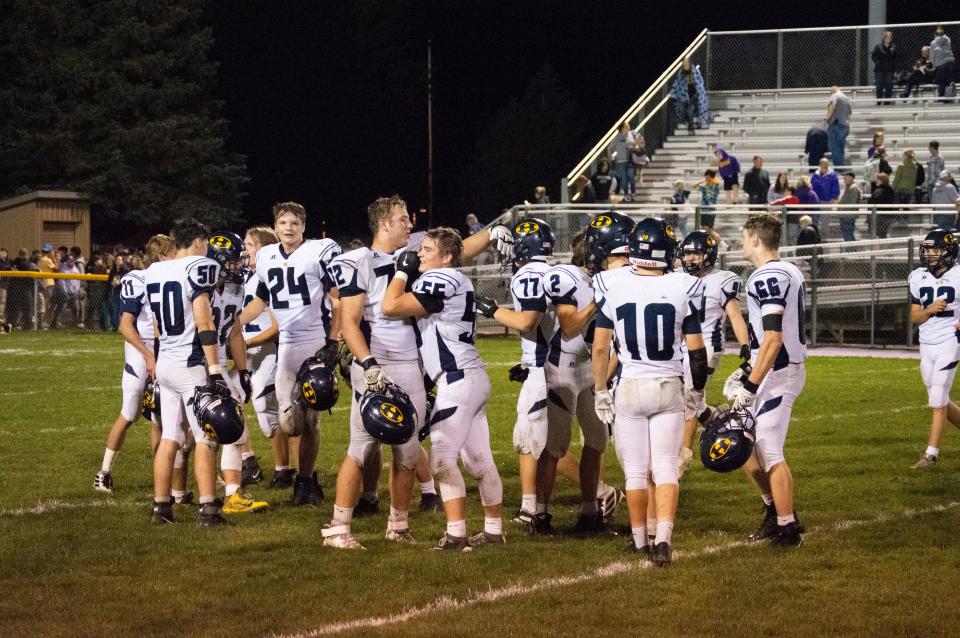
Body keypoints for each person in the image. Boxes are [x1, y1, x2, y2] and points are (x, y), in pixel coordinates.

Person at [381, 228, 505, 551]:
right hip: (470, 376)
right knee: (479, 460)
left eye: (426, 249)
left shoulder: (439, 280)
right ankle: (493, 530)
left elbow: (390, 306)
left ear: (446, 256)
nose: (419, 253)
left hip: (457, 379)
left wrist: (401, 272)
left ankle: (456, 534)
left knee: (441, 457)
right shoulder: (456, 279)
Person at [592, 218, 706, 565]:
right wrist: (697, 391)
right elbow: (697, 350)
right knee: (666, 468)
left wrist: (600, 390)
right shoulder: (683, 286)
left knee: (636, 472)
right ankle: (664, 541)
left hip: (629, 386)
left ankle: (640, 541)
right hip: (668, 383)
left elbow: (600, 349)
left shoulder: (611, 284)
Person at [230, 202, 342, 507]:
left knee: (312, 419)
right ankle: (302, 476)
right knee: (289, 419)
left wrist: (333, 343)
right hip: (288, 345)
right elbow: (259, 301)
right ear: (275, 227)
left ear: (303, 226)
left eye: (294, 222)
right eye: (283, 223)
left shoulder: (319, 251)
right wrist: (235, 324)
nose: (289, 227)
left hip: (315, 341)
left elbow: (338, 300)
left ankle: (305, 481)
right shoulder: (266, 256)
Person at [144, 219, 245, 525]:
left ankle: (161, 508)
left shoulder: (155, 270)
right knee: (206, 438)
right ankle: (208, 509)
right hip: (192, 364)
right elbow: (204, 322)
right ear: (200, 242)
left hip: (166, 362)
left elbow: (160, 325)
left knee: (170, 436)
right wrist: (215, 370)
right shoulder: (199, 268)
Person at [725, 213, 807, 548]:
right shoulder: (789, 270)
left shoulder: (767, 275)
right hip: (774, 368)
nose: (742, 243)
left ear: (756, 239)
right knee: (743, 443)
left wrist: (751, 385)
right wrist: (749, 368)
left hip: (778, 372)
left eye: (744, 237)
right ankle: (774, 510)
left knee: (770, 449)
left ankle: (787, 528)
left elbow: (773, 339)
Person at [534, 225, 617, 534]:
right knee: (556, 445)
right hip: (563, 366)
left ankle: (590, 512)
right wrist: (601, 301)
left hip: (589, 367)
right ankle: (539, 514)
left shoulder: (597, 280)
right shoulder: (565, 275)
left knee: (597, 441)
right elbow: (569, 327)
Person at [475, 218, 556, 529]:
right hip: (556, 364)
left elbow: (527, 322)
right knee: (547, 441)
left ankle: (529, 507)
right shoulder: (554, 271)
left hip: (544, 368)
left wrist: (491, 310)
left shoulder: (526, 275)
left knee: (530, 440)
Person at [94, 235, 175, 495]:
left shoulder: (169, 278)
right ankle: (103, 473)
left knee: (160, 416)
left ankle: (161, 474)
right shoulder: (138, 279)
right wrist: (148, 356)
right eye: (174, 252)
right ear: (163, 255)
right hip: (141, 354)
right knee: (129, 414)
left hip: (163, 352)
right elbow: (124, 326)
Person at [676, 230, 750, 477]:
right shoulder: (675, 276)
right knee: (687, 398)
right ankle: (718, 420)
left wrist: (745, 345)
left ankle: (682, 456)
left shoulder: (723, 279)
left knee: (688, 395)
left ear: (708, 255)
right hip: (679, 345)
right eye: (687, 253)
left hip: (707, 346)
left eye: (696, 253)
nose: (691, 258)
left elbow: (735, 315)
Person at [239, 226, 290, 488]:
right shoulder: (249, 277)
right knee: (231, 401)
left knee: (266, 409)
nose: (244, 249)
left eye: (250, 244)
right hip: (248, 350)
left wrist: (245, 341)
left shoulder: (270, 277)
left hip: (267, 350)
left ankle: (283, 470)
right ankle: (248, 462)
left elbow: (275, 328)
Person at [908, 229, 960, 469]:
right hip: (926, 342)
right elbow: (914, 316)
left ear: (948, 252)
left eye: (935, 250)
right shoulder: (917, 276)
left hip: (951, 339)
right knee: (937, 397)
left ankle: (931, 455)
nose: (930, 254)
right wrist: (929, 309)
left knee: (938, 397)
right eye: (928, 250)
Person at [669, 56, 710, 132]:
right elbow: (677, 83)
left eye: (687, 62)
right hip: (685, 96)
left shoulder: (694, 71)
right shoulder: (681, 73)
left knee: (691, 107)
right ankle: (687, 123)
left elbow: (699, 83)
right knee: (684, 107)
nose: (685, 64)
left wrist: (699, 93)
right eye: (684, 62)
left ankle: (694, 124)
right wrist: (672, 93)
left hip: (694, 94)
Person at [825, 86, 852, 168]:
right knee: (840, 146)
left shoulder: (835, 95)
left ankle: (839, 165)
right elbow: (849, 113)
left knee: (833, 146)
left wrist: (826, 118)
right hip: (845, 125)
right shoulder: (847, 98)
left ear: (833, 90)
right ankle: (841, 164)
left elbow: (832, 106)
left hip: (836, 125)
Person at [608, 122, 634, 200]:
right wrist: (612, 157)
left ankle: (632, 194)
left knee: (631, 178)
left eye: (629, 126)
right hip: (621, 161)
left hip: (630, 161)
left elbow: (633, 144)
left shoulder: (630, 135)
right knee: (624, 179)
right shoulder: (618, 137)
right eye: (627, 126)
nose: (629, 128)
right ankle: (626, 194)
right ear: (622, 128)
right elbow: (610, 148)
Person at [871, 30, 897, 105]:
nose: (890, 38)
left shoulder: (893, 46)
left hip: (889, 70)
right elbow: (873, 56)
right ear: (884, 38)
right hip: (879, 70)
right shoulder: (878, 46)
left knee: (889, 86)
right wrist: (878, 63)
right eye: (888, 37)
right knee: (879, 87)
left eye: (891, 37)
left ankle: (887, 102)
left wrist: (893, 64)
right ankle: (879, 102)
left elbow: (896, 57)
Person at [931, 25, 955, 101]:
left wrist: (933, 65)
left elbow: (932, 55)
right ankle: (950, 97)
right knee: (949, 80)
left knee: (941, 81)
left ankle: (941, 97)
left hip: (940, 64)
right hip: (949, 62)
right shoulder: (948, 39)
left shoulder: (934, 42)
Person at [870, 173, 897, 238]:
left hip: (880, 216)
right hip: (888, 216)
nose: (875, 181)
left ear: (881, 180)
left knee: (879, 235)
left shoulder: (879, 191)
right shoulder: (890, 189)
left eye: (877, 179)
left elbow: (872, 201)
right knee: (883, 235)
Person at [838, 171, 861, 242]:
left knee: (848, 235)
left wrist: (842, 208)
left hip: (848, 215)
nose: (844, 179)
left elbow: (853, 203)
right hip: (845, 215)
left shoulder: (853, 187)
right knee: (847, 235)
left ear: (851, 178)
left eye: (846, 177)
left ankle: (851, 251)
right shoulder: (848, 187)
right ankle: (850, 250)